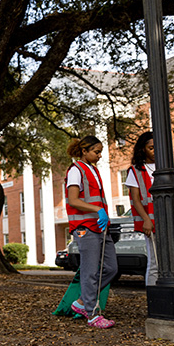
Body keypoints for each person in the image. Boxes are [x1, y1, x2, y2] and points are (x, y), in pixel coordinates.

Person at [126, 131, 174, 287]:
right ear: (142, 149)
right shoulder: (135, 171)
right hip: (153, 221)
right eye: (151, 148)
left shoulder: (167, 167)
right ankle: (155, 302)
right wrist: (146, 220)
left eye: (158, 147)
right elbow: (135, 199)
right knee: (156, 262)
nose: (155, 151)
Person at [65, 136, 119, 329]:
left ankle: (81, 302)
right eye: (96, 151)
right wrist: (98, 210)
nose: (99, 155)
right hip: (85, 227)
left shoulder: (93, 170)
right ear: (84, 151)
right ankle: (92, 314)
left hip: (100, 226)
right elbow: (73, 200)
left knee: (111, 268)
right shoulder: (76, 171)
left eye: (100, 151)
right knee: (90, 271)